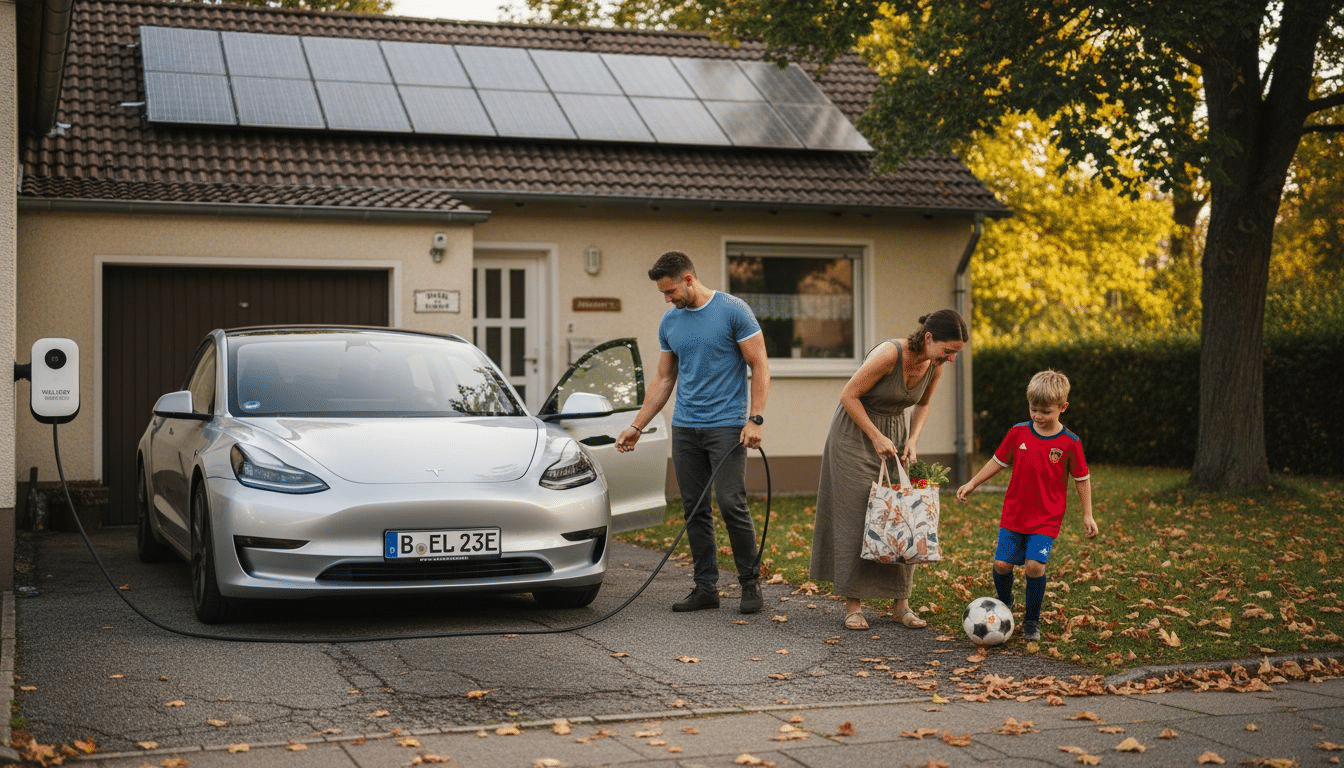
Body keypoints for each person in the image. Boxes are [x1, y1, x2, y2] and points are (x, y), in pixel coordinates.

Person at [616, 251, 771, 614]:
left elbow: (760, 365)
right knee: (694, 508)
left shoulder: (733, 311)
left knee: (731, 503)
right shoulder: (670, 322)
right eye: (663, 293)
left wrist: (756, 419)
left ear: (688, 279)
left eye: (670, 291)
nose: (667, 299)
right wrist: (637, 425)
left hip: (726, 425)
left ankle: (750, 584)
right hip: (686, 427)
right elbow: (664, 378)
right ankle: (705, 588)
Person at [809, 309, 969, 632]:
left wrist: (912, 440)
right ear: (929, 338)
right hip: (855, 434)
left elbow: (923, 404)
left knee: (903, 516)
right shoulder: (889, 355)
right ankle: (853, 606)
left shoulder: (934, 365)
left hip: (894, 435)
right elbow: (848, 396)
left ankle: (901, 605)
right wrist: (875, 436)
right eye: (949, 350)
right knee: (858, 517)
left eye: (956, 353)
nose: (951, 358)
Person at [955, 369, 1098, 642]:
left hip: (1046, 518)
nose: (1038, 416)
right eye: (1033, 409)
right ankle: (1005, 602)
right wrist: (972, 483)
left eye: (1045, 411)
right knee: (1002, 565)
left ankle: (1032, 620)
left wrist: (1088, 515)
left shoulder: (1070, 443)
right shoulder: (1018, 433)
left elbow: (1082, 479)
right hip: (1015, 514)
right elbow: (997, 461)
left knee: (1034, 566)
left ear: (1063, 407)